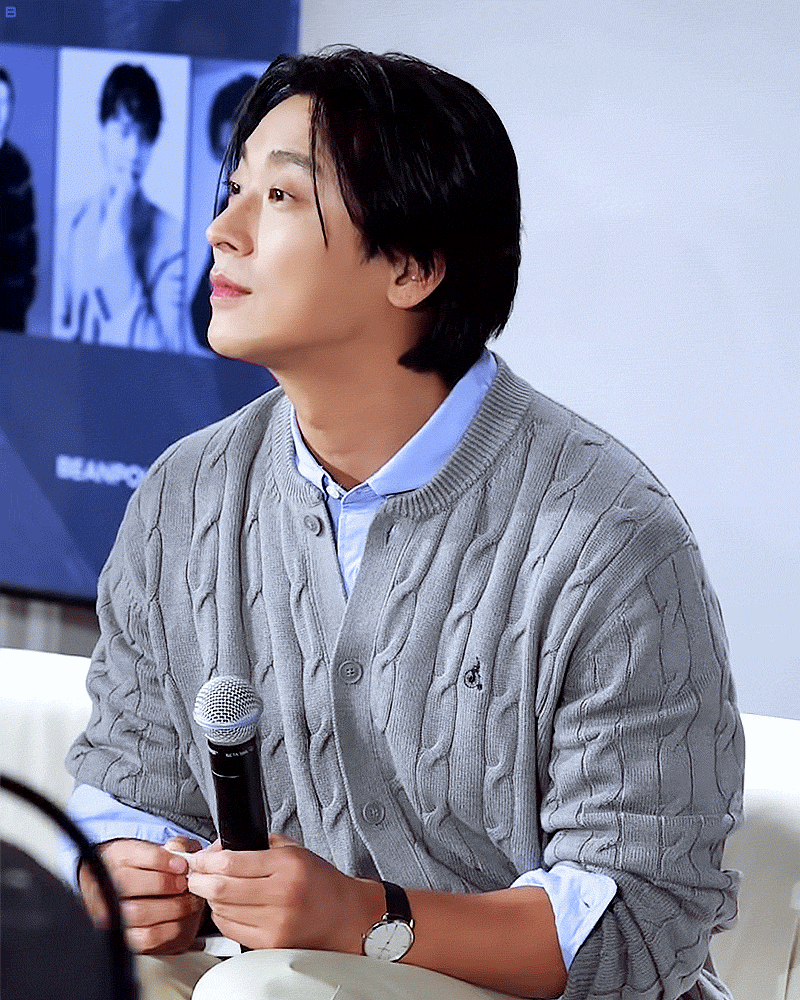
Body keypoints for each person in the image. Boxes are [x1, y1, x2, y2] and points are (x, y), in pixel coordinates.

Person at [65, 48, 744, 1000]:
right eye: (234, 189)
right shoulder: (183, 497)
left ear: (413, 268)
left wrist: (362, 916)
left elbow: (642, 924)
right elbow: (126, 791)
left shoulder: (610, 540)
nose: (222, 230)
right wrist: (122, 875)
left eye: (281, 197)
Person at [54, 63, 187, 351]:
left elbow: (165, 355)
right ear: (103, 132)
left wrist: (117, 239)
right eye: (125, 132)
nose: (134, 152)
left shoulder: (173, 237)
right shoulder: (66, 223)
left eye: (145, 137)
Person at [190, 73, 258, 349]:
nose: (232, 172)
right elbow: (199, 317)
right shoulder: (225, 208)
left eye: (239, 156)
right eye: (223, 156)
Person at [0, 67, 38, 333]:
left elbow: (29, 234)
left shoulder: (18, 164)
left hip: (11, 303)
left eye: (4, 102)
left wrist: (25, 292)